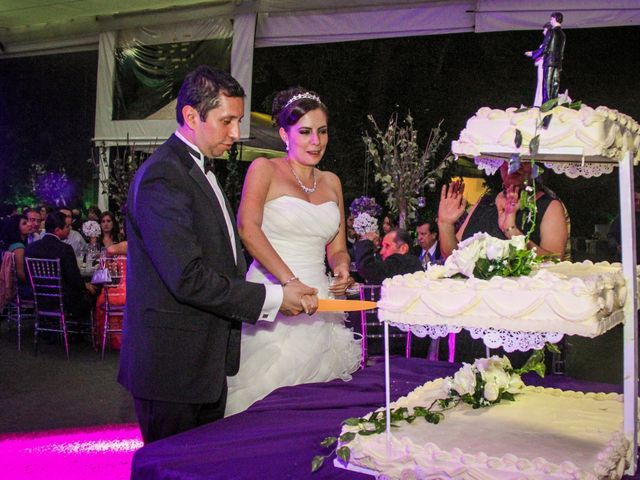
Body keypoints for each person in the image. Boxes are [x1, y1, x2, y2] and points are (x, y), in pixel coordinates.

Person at [117, 66, 317, 444]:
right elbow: (187, 277)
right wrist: (273, 297)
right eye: (227, 121)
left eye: (238, 121)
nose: (236, 133)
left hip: (201, 365)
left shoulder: (196, 169)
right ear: (192, 116)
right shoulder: (164, 175)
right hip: (172, 369)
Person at [226, 87, 361, 416]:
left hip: (322, 303)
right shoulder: (264, 169)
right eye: (304, 132)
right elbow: (248, 229)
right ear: (284, 134)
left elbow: (337, 247)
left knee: (319, 407)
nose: (316, 141)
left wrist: (342, 268)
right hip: (275, 294)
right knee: (266, 401)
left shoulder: (332, 182)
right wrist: (288, 281)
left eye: (322, 131)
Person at [437, 162, 568, 260]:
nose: (515, 164)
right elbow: (454, 257)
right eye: (507, 158)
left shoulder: (549, 206)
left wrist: (512, 231)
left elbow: (555, 262)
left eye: (525, 159)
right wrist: (445, 224)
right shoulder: (485, 202)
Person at [24, 211, 96, 318]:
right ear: (57, 230)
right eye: (67, 227)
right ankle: (82, 330)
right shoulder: (65, 249)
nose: (70, 229)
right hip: (63, 300)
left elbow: (27, 275)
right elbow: (73, 278)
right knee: (94, 293)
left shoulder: (30, 248)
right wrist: (85, 285)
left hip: (39, 298)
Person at [354, 228, 423, 286]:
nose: (381, 252)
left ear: (403, 248)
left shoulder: (402, 261)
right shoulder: (412, 262)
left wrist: (366, 241)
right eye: (382, 246)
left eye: (387, 246)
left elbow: (366, 268)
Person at [525, 12, 565, 104]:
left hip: (549, 62)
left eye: (551, 19)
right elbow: (561, 52)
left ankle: (546, 106)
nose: (550, 21)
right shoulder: (563, 34)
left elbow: (545, 47)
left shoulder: (551, 31)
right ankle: (553, 105)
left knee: (547, 86)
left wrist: (533, 54)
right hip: (557, 63)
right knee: (554, 85)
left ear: (555, 18)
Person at [528, 23, 552, 107]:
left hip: (545, 65)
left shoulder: (549, 42)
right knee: (540, 83)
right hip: (541, 65)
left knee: (543, 84)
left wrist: (532, 54)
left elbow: (543, 52)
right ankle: (538, 102)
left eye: (545, 30)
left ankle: (541, 103)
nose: (543, 32)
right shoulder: (547, 42)